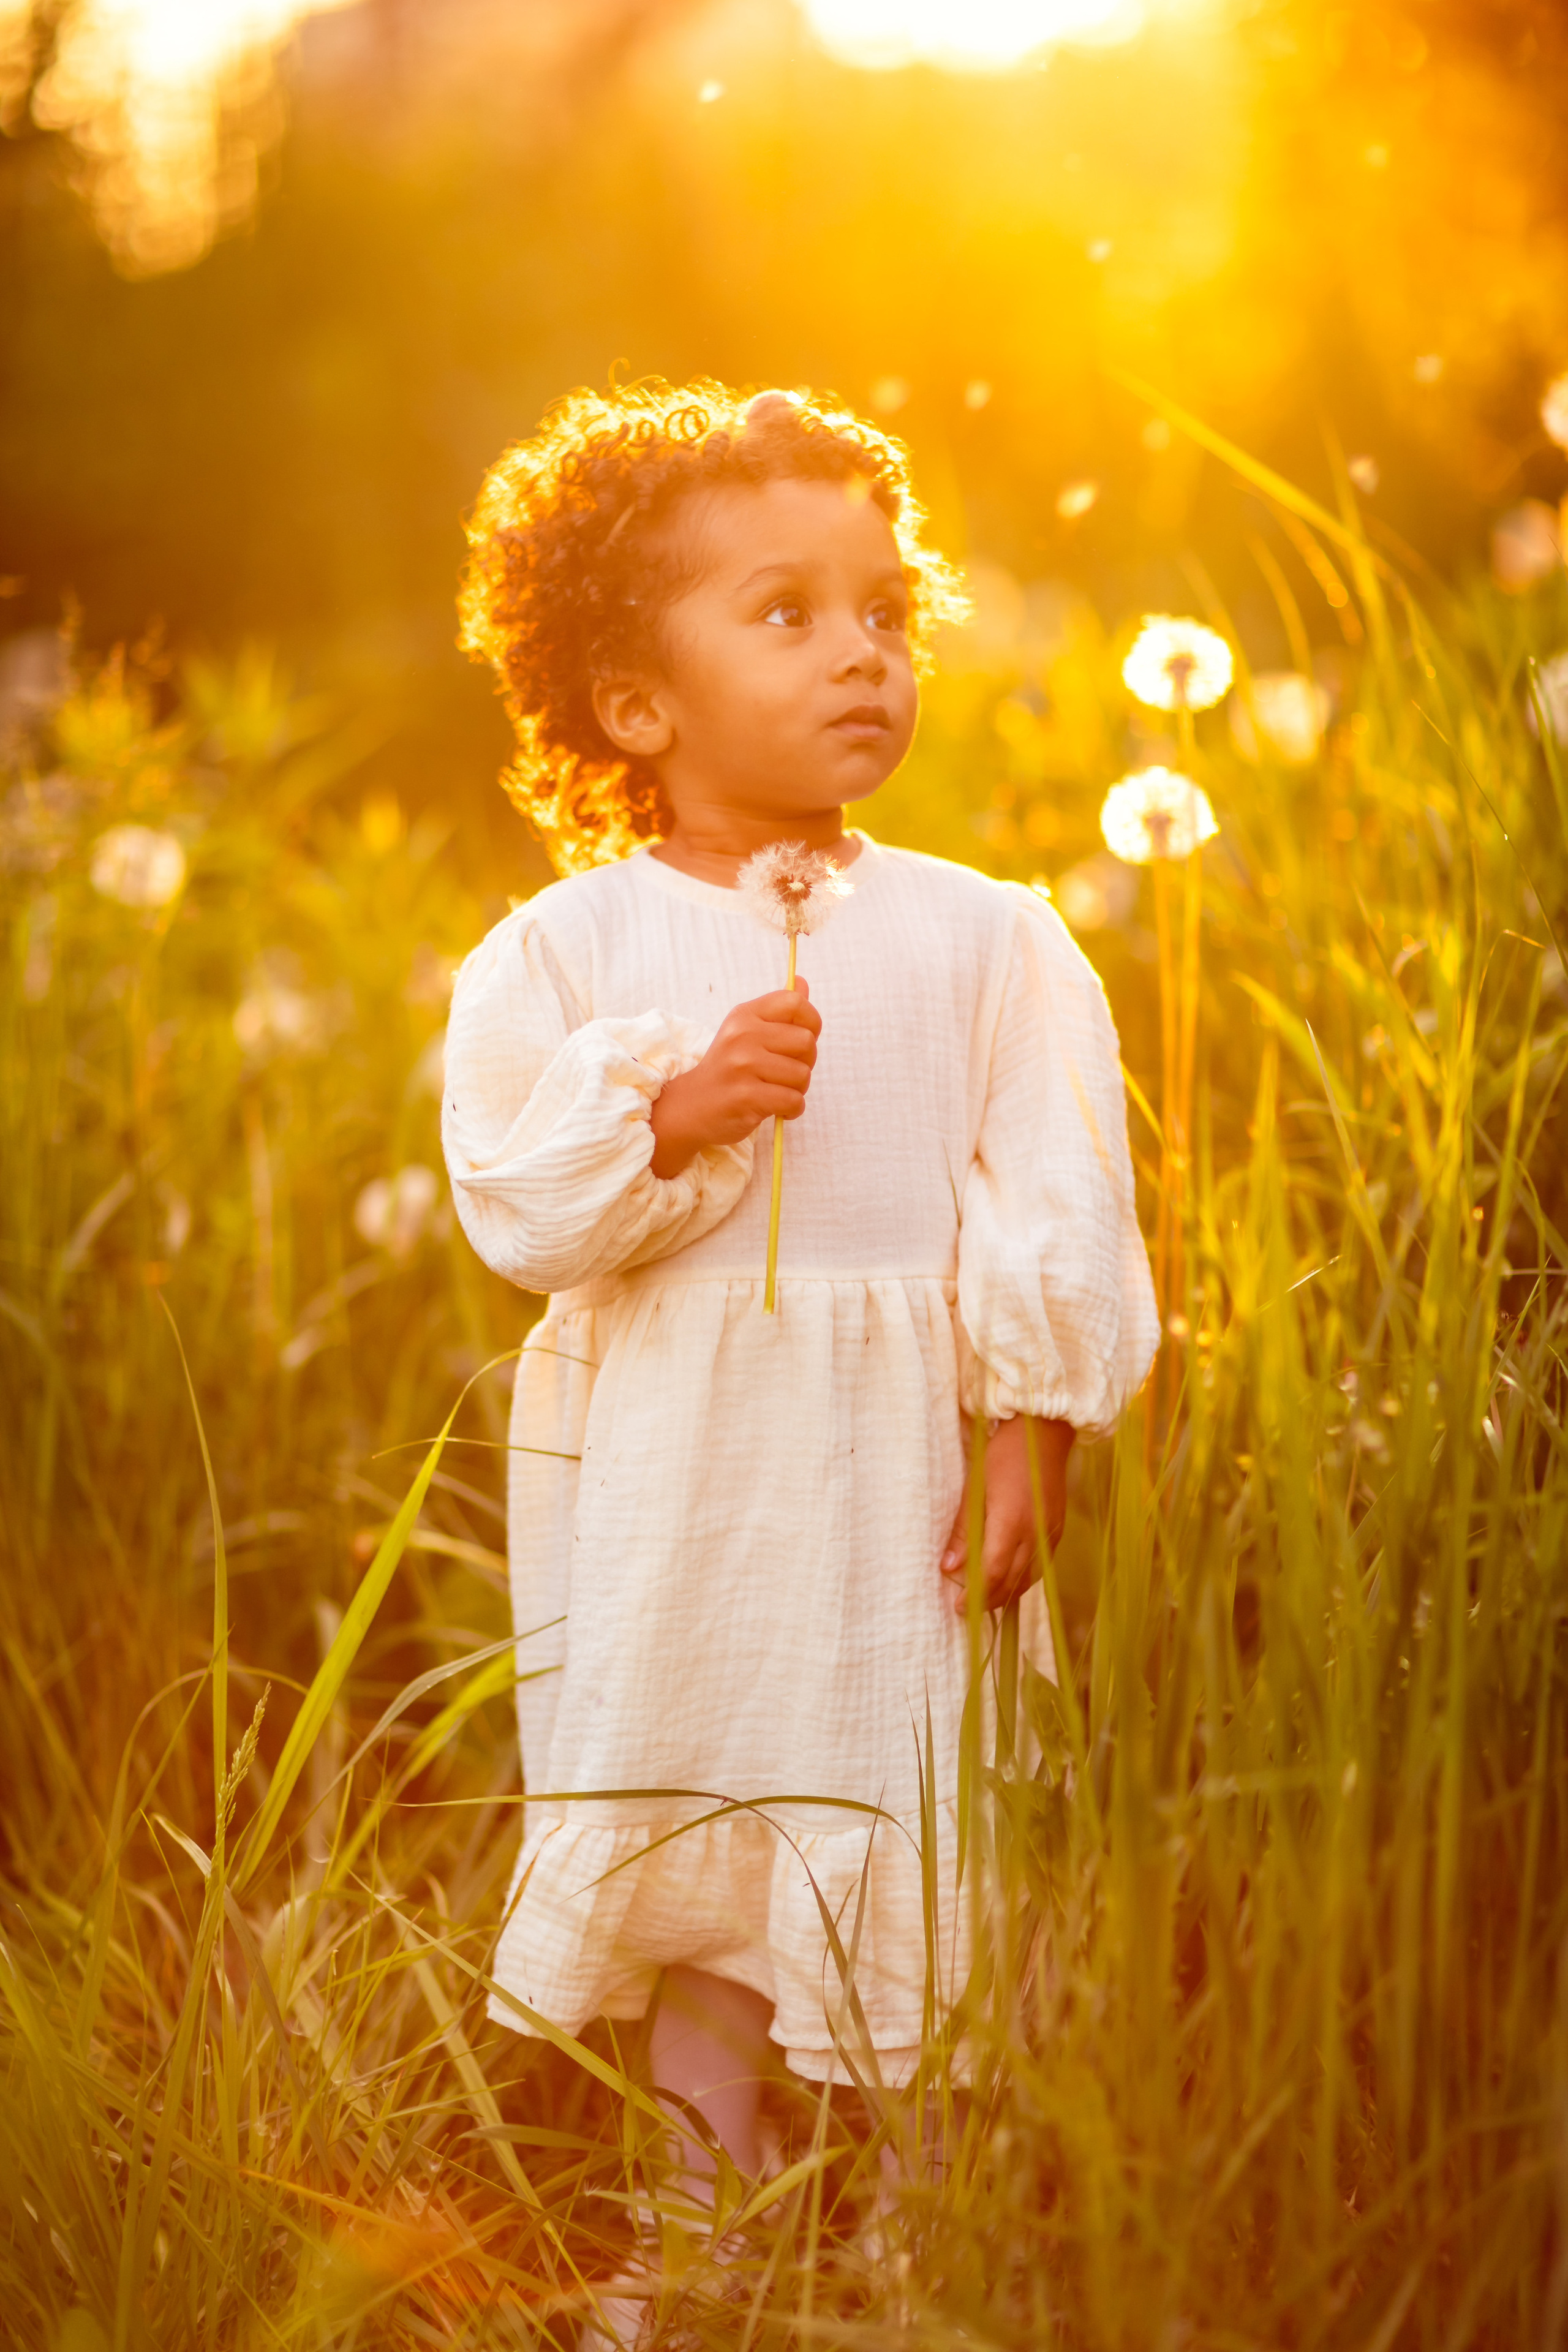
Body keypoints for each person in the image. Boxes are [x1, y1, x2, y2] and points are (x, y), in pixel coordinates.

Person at [442, 379, 1158, 2306]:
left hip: (904, 1481)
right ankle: (695, 2241)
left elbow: (1049, 1204)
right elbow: (523, 1211)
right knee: (703, 1842)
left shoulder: (987, 940)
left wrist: (1034, 1430)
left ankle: (931, 2246)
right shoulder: (566, 956)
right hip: (688, 1490)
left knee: (921, 1827)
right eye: (788, 613)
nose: (861, 651)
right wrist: (669, 1119)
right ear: (635, 707)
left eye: (884, 611)